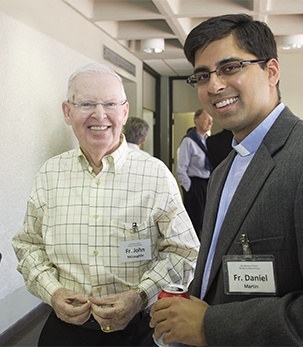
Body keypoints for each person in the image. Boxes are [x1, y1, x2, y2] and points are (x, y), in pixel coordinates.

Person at [149, 14, 303, 346]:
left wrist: (212, 324)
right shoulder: (225, 169)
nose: (214, 85)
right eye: (203, 75)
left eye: (230, 67)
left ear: (271, 71)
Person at [12, 63, 200, 347]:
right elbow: (28, 246)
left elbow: (184, 252)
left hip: (137, 332)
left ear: (124, 111)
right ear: (67, 112)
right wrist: (52, 291)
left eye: (110, 104)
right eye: (86, 103)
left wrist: (139, 296)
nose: (99, 115)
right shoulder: (49, 174)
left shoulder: (155, 175)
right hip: (64, 333)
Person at [176, 108, 213, 237]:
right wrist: (189, 188)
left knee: (207, 220)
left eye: (211, 120)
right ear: (196, 120)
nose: (209, 123)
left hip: (208, 184)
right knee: (195, 221)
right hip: (195, 185)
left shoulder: (210, 141)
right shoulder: (189, 141)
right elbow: (181, 169)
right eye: (206, 119)